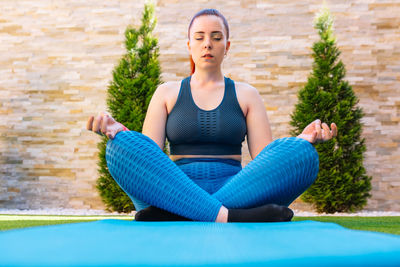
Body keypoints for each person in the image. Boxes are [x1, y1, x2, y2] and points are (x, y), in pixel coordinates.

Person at [87, 9, 337, 223]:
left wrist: (302, 140)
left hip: (239, 190)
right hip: (173, 189)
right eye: (200, 37)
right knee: (119, 147)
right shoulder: (166, 92)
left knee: (303, 154)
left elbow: (265, 162)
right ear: (189, 45)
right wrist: (120, 134)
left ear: (226, 47)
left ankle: (185, 215)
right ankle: (231, 216)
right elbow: (149, 158)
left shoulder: (246, 94)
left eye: (216, 38)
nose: (208, 43)